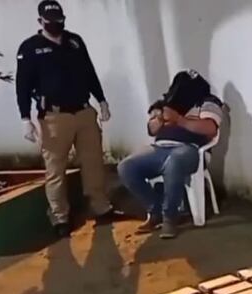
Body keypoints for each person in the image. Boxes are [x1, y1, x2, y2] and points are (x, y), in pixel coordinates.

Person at [16, 0, 118, 237]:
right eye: (51, 22)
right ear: (40, 21)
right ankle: (60, 217)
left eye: (60, 21)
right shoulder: (30, 48)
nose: (56, 25)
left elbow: (89, 72)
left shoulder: (74, 41)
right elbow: (23, 85)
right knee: (55, 168)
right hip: (54, 117)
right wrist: (25, 118)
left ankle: (101, 207)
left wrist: (101, 100)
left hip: (84, 111)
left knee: (93, 162)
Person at [118, 70, 223, 240]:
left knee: (174, 160)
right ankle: (156, 210)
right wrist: (159, 119)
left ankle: (170, 218)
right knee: (126, 167)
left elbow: (210, 128)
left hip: (191, 149)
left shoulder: (208, 102)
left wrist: (179, 120)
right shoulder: (166, 103)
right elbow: (151, 130)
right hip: (159, 148)